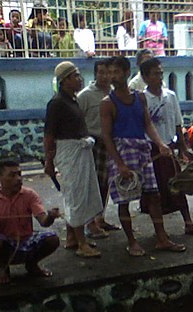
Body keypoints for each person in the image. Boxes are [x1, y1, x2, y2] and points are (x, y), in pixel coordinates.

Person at [100, 55, 186, 256]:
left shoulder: (139, 97)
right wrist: (119, 164)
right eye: (110, 72)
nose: (112, 76)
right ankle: (131, 241)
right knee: (124, 199)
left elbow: (147, 124)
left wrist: (160, 144)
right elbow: (106, 135)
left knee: (154, 195)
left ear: (126, 72)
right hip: (123, 149)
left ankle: (162, 238)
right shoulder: (107, 103)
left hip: (143, 148)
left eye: (116, 71)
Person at [43, 61, 103, 258]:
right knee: (76, 196)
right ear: (65, 80)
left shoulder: (72, 99)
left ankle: (72, 238)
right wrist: (49, 162)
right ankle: (82, 244)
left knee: (79, 194)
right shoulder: (57, 103)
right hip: (69, 152)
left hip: (80, 149)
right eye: (75, 76)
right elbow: (49, 136)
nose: (79, 79)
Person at [141, 57, 193, 237]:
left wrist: (184, 148)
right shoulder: (142, 99)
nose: (159, 76)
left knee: (179, 186)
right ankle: (159, 231)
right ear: (145, 77)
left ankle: (188, 223)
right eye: (155, 73)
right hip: (152, 151)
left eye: (161, 73)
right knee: (155, 192)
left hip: (170, 148)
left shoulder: (170, 96)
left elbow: (178, 123)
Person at [0, 158, 61, 285]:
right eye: (12, 175)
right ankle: (4, 267)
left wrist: (51, 216)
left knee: (52, 238)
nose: (18, 179)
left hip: (27, 240)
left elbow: (44, 222)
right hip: (6, 244)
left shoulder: (29, 194)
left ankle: (32, 264)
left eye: (19, 174)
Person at [76, 58, 121, 235]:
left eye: (108, 72)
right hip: (92, 144)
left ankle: (99, 218)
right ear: (95, 74)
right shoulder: (85, 96)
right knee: (92, 184)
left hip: (110, 143)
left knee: (106, 184)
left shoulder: (114, 94)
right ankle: (90, 223)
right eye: (101, 72)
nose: (104, 76)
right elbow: (77, 121)